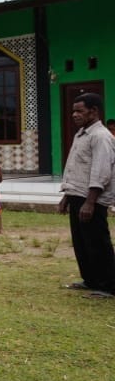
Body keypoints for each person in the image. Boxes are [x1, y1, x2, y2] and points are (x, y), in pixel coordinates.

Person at [58, 93, 115, 298]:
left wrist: (90, 202)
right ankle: (90, 279)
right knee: (82, 243)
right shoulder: (81, 134)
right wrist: (66, 196)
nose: (74, 115)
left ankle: (108, 285)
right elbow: (76, 167)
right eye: (73, 111)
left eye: (79, 111)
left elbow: (101, 171)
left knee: (97, 242)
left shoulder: (101, 136)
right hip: (77, 196)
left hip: (92, 199)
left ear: (94, 111)